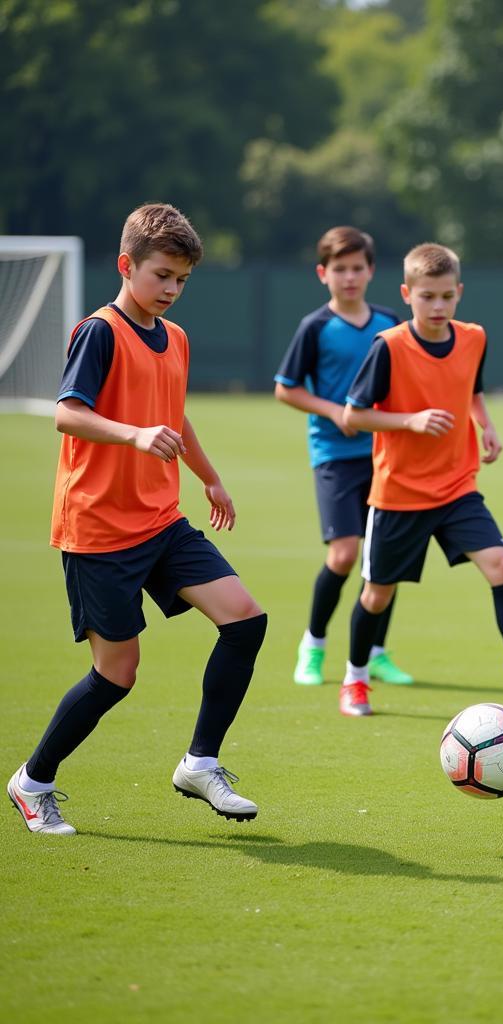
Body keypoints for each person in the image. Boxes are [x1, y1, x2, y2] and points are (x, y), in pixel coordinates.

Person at [7, 203, 267, 835]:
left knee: (245, 620)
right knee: (116, 675)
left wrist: (209, 476)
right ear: (127, 266)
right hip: (98, 531)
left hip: (161, 521)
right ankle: (32, 781)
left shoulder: (174, 338)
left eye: (181, 280)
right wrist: (133, 434)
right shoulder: (99, 331)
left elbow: (173, 417)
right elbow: (67, 413)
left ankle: (200, 762)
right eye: (161, 276)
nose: (172, 291)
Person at [340, 242, 503, 722]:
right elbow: (353, 415)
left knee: (502, 566)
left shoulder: (474, 337)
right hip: (398, 495)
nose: (437, 307)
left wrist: (486, 423)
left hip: (457, 488)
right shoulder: (388, 347)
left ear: (459, 293)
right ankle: (355, 680)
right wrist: (408, 422)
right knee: (377, 595)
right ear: (408, 293)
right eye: (427, 296)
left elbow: (470, 388)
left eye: (446, 296)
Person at [274, 226, 413, 708]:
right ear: (323, 273)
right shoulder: (315, 327)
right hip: (334, 456)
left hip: (386, 456)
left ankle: (374, 651)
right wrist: (335, 411)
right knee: (344, 555)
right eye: (340, 269)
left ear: (371, 271)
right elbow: (286, 387)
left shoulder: (391, 322)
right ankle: (312, 646)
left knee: (386, 561)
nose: (349, 277)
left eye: (358, 268)